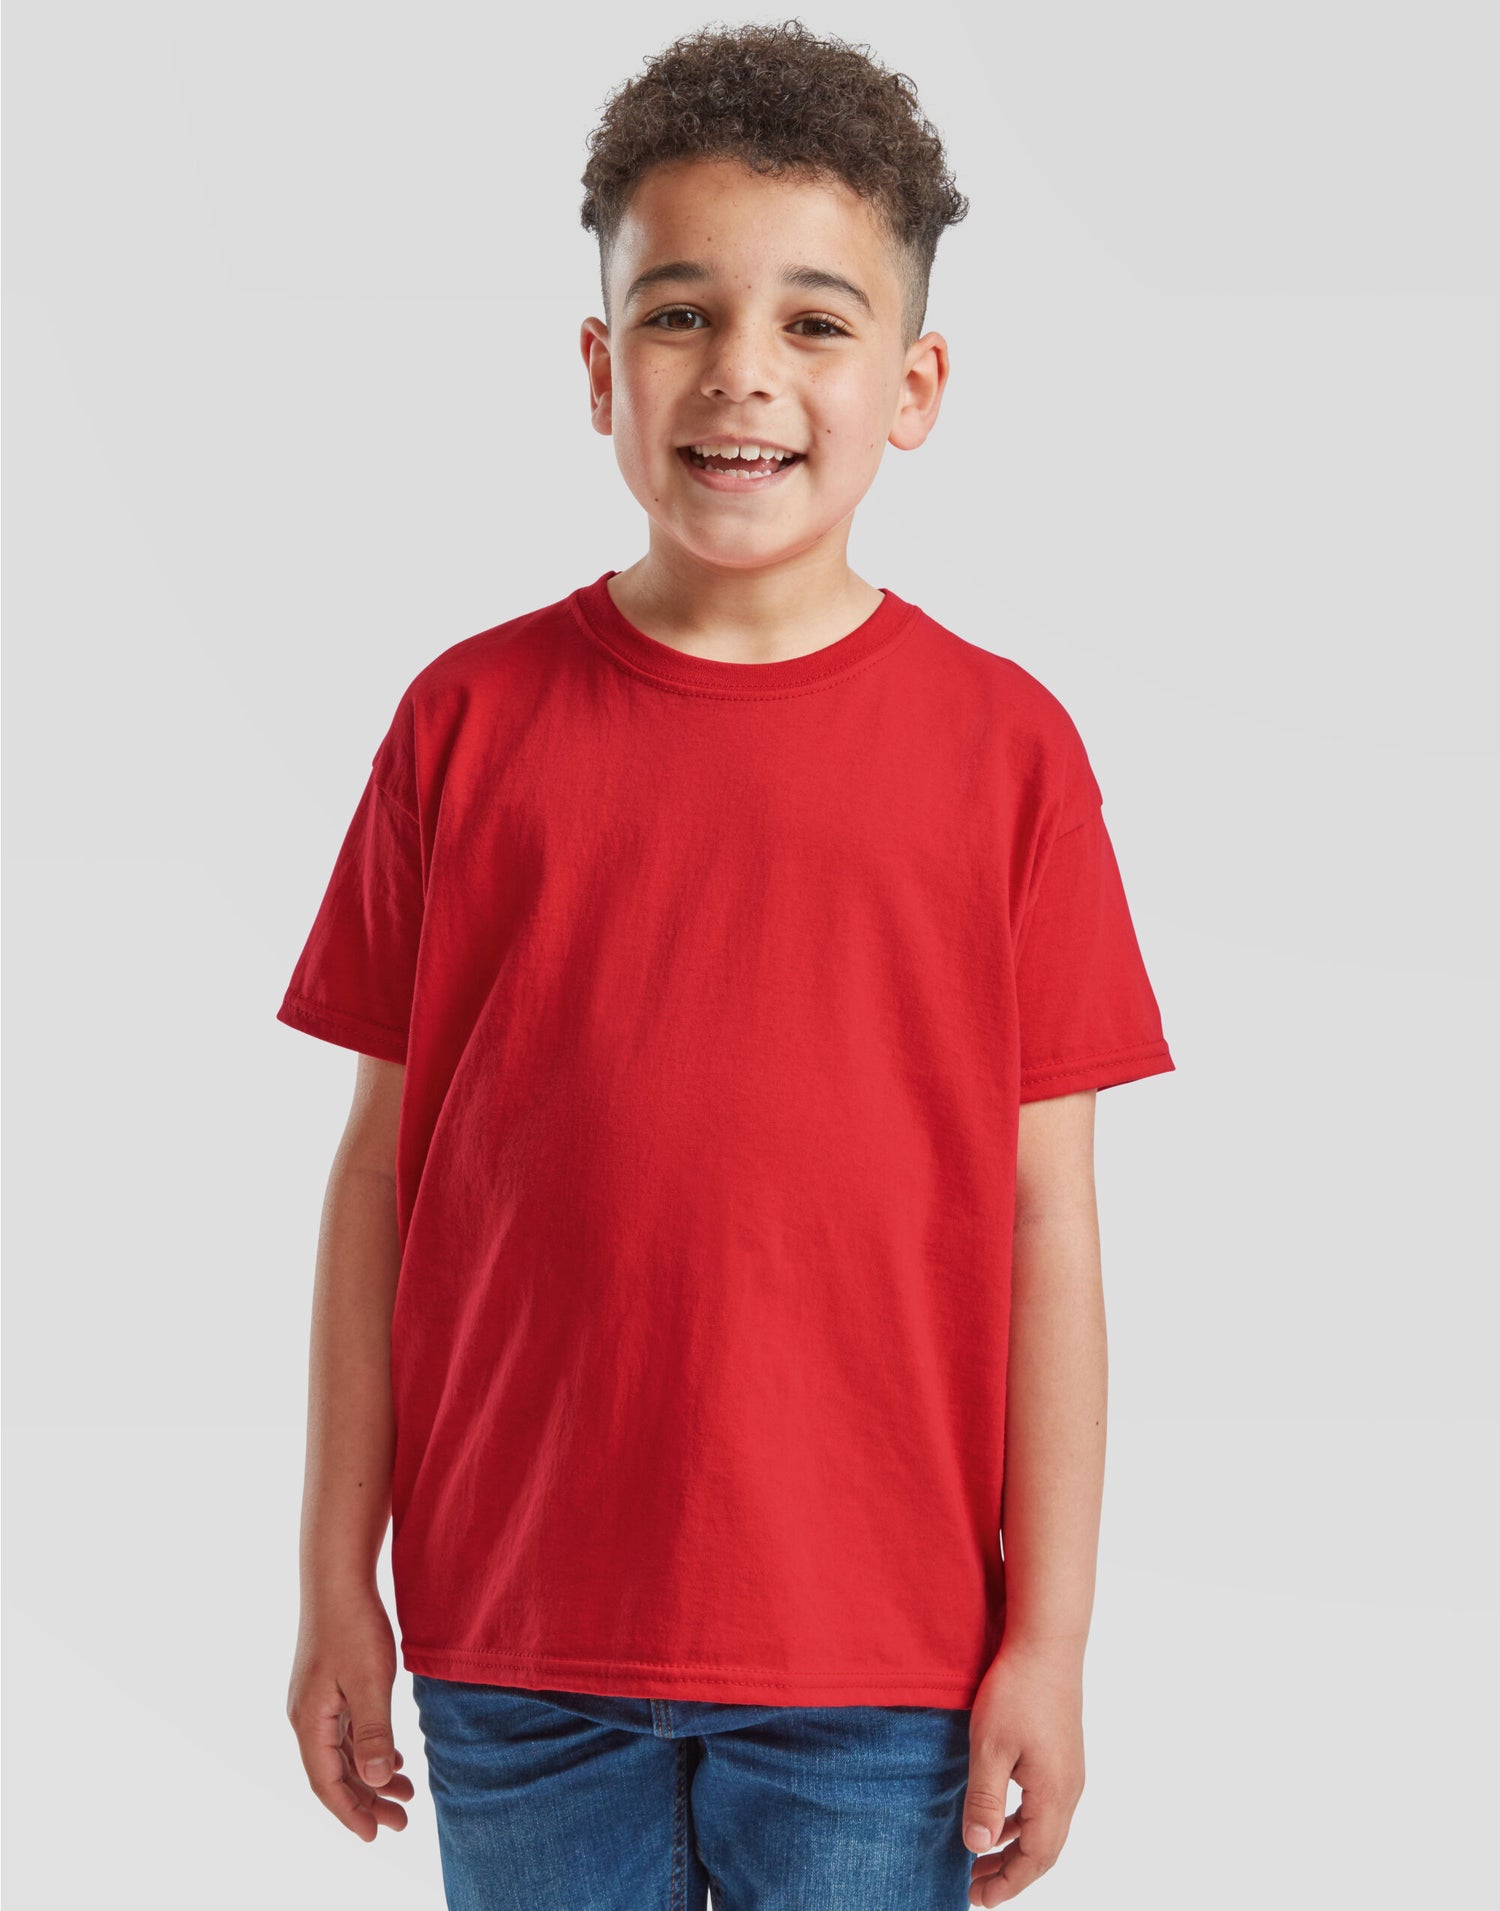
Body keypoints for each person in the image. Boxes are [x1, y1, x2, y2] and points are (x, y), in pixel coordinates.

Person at [277, 21, 1175, 1909]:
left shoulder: (1007, 755)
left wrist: (1052, 1638)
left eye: (815, 322)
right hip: (517, 1637)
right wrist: (328, 1575)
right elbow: (379, 1178)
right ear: (601, 369)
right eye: (679, 313)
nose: (741, 371)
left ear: (914, 385)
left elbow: (1051, 1223)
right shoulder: (464, 724)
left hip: (880, 1663)